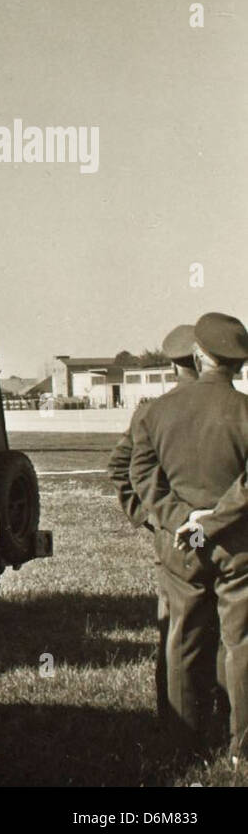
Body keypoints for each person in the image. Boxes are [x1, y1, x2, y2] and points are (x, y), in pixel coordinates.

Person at [130, 311, 248, 763]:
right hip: (238, 543)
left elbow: (141, 474)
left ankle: (183, 744)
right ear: (237, 364)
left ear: (198, 355)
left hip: (181, 542)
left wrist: (182, 518)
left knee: (181, 639)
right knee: (240, 643)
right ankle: (242, 748)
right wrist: (214, 520)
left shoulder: (156, 412)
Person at [107, 324, 197, 723]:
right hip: (226, 533)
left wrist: (153, 518)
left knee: (175, 631)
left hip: (172, 538)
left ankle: (175, 718)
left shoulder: (150, 411)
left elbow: (121, 469)